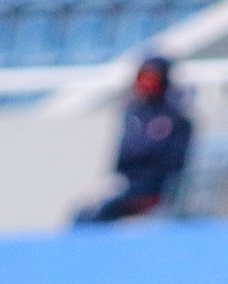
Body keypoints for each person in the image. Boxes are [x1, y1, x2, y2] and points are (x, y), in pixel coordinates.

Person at [73, 56, 195, 226]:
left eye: (152, 77)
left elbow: (172, 163)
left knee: (102, 213)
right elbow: (122, 157)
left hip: (154, 189)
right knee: (83, 213)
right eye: (143, 77)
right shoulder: (134, 114)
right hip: (127, 184)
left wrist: (142, 155)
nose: (146, 83)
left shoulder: (176, 119)